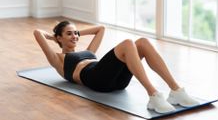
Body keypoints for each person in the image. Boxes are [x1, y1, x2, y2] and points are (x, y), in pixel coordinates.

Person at [34, 20, 199, 113]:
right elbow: (37, 32)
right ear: (59, 38)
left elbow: (100, 29)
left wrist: (75, 33)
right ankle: (153, 95)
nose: (75, 36)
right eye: (69, 34)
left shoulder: (88, 51)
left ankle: (176, 91)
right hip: (96, 80)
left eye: (75, 33)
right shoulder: (58, 59)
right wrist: (52, 37)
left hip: (117, 82)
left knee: (142, 42)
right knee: (127, 43)